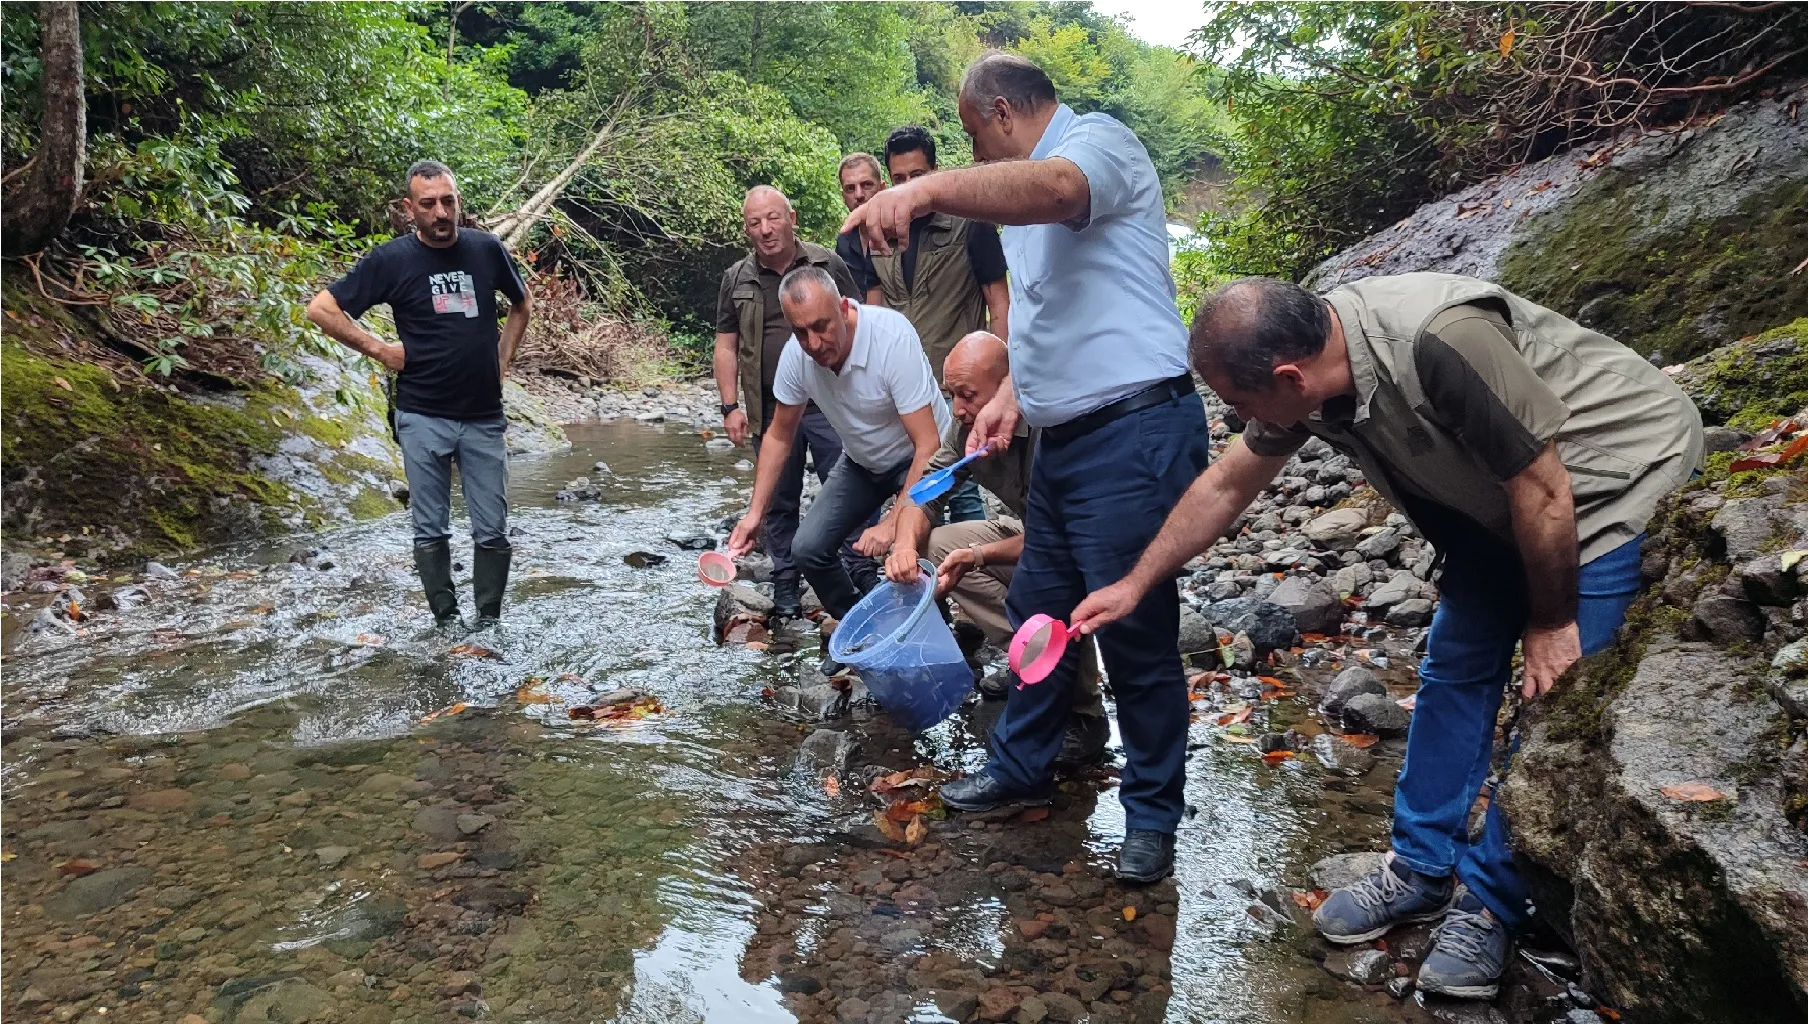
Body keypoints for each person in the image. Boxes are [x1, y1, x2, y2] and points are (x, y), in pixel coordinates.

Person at [1069, 274, 1704, 997]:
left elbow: (1545, 486)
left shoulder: (1441, 339)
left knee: (1554, 696)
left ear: (1287, 377)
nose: (1235, 415)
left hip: (1607, 478)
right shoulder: (1309, 375)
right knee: (1453, 670)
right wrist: (1135, 582)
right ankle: (1421, 867)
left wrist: (1551, 623)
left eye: (1239, 402)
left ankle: (1494, 902)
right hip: (1499, 498)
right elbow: (1226, 483)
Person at [842, 52, 1211, 884]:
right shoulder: (1021, 203)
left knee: (1134, 632)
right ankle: (1021, 765)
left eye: (975, 141)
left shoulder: (1099, 145)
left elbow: (1056, 190)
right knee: (1041, 617)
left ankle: (1153, 814)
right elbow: (1048, 311)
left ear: (1002, 112)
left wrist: (927, 189)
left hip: (1136, 427)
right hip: (1068, 439)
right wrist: (1014, 389)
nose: (977, 162)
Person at [306, 159, 531, 628]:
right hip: (422, 415)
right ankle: (448, 625)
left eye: (447, 201)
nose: (440, 212)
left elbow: (521, 303)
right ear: (410, 209)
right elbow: (322, 309)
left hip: (483, 416)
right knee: (430, 528)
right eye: (428, 204)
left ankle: (488, 625)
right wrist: (380, 349)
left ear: (458, 201)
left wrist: (502, 361)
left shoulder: (486, 249)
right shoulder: (392, 259)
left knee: (492, 530)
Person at [883, 331, 1109, 769]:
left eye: (968, 395)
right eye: (951, 395)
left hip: (1080, 550)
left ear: (1010, 387)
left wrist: (978, 557)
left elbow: (1057, 540)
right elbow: (924, 492)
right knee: (933, 542)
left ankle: (1085, 715)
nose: (957, 409)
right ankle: (1030, 658)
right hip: (1029, 533)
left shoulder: (1051, 425)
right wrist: (904, 547)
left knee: (1052, 580)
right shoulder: (966, 424)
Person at [726, 267, 952, 637]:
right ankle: (863, 631)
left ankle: (938, 639)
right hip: (862, 460)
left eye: (821, 326)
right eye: (801, 332)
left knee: (913, 552)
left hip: (921, 459)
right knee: (808, 549)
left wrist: (893, 522)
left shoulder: (890, 338)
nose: (814, 344)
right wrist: (754, 515)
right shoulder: (796, 357)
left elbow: (927, 445)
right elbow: (779, 437)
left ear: (844, 308)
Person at [713, 186, 867, 619]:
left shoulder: (825, 264)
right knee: (779, 500)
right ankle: (785, 584)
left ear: (791, 217)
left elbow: (857, 320)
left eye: (772, 218)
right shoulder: (736, 278)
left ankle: (858, 569)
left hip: (828, 407)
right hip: (768, 410)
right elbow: (726, 345)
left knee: (848, 488)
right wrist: (730, 407)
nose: (765, 230)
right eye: (754, 223)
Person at [868, 125, 1011, 524]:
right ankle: (919, 573)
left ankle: (974, 570)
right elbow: (876, 312)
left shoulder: (971, 224)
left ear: (936, 171)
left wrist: (1000, 383)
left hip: (956, 389)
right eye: (898, 179)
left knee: (960, 486)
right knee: (914, 486)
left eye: (917, 176)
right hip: (905, 389)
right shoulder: (880, 234)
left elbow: (1000, 303)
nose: (908, 186)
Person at [835, 153, 885, 295]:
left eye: (866, 185)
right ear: (843, 196)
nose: (858, 195)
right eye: (850, 188)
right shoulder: (844, 241)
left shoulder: (901, 233)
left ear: (882, 188)